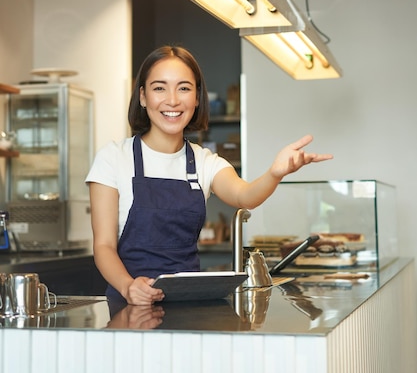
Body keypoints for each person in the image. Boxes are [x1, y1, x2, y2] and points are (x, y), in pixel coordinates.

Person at [86, 45, 332, 307]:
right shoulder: (113, 158)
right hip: (130, 305)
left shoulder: (204, 162)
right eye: (159, 88)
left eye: (184, 88)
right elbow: (103, 246)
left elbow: (244, 195)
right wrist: (128, 286)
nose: (172, 100)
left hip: (190, 306)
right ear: (143, 96)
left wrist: (275, 173)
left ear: (197, 98)